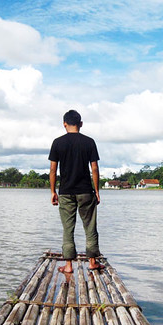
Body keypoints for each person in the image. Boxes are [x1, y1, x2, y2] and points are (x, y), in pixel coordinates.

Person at [48, 109, 104, 273]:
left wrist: (53, 191)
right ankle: (93, 262)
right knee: (90, 226)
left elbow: (53, 170)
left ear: (64, 124)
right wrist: (97, 191)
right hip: (86, 191)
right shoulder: (89, 142)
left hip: (65, 192)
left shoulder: (57, 142)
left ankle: (68, 265)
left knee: (68, 228)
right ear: (80, 124)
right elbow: (94, 168)